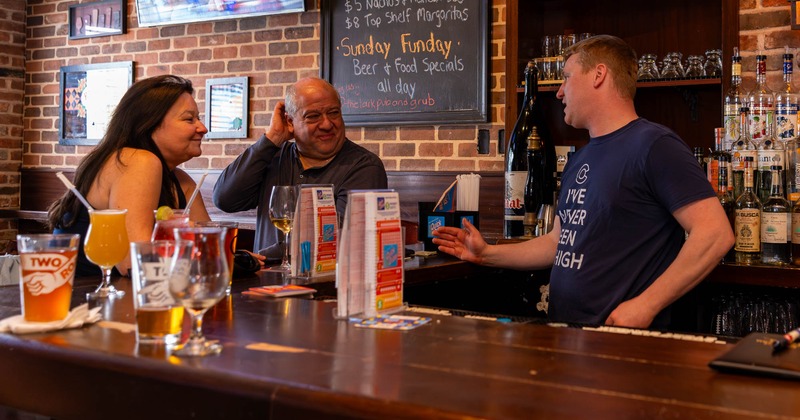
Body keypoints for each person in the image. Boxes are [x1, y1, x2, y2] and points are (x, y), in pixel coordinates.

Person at [433, 35, 734, 329]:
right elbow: (557, 242)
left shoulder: (654, 145)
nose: (559, 92)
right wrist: (486, 254)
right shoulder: (580, 158)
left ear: (598, 75)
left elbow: (715, 234)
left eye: (566, 77)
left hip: (620, 338)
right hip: (567, 333)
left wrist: (647, 304)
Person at [48, 75, 211, 277]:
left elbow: (211, 253)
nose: (203, 128)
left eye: (198, 118)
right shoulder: (138, 161)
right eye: (189, 119)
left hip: (143, 293)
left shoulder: (181, 181)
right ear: (149, 123)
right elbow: (132, 264)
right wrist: (187, 242)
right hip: (80, 294)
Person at [213, 77, 388, 258]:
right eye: (313, 116)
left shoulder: (364, 166)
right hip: (264, 277)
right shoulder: (273, 157)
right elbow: (225, 199)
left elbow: (337, 238)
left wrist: (260, 258)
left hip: (322, 277)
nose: (327, 124)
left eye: (334, 113)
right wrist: (271, 139)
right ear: (290, 122)